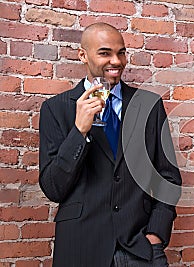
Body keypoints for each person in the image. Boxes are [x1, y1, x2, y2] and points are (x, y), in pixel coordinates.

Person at [39, 22, 182, 267]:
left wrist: (156, 235)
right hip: (81, 248)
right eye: (105, 53)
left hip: (140, 248)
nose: (116, 61)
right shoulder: (56, 109)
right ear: (82, 55)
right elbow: (53, 188)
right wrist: (79, 131)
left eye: (121, 52)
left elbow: (167, 176)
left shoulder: (149, 105)